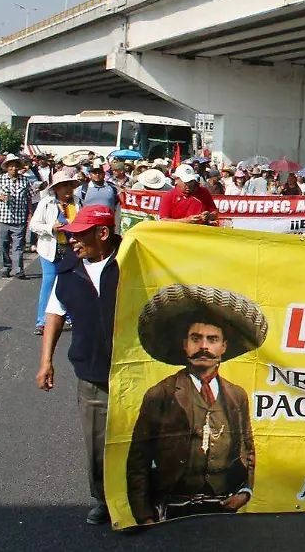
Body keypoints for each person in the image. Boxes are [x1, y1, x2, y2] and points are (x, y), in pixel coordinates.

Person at [125, 284, 264, 523]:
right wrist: (143, 514)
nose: (203, 347)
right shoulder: (161, 394)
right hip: (172, 505)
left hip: (223, 504)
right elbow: (139, 458)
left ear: (223, 347)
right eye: (195, 338)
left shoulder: (236, 395)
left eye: (212, 339)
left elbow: (247, 449)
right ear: (184, 345)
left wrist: (245, 491)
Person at [34, 204, 122, 525]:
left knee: (140, 437)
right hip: (92, 373)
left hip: (135, 371)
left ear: (102, 234)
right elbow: (54, 312)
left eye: (78, 234)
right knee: (97, 441)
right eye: (70, 235)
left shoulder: (133, 263)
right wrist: (46, 361)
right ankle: (103, 498)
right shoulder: (69, 270)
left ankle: (138, 495)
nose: (71, 241)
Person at [29, 167, 81, 335]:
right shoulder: (46, 203)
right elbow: (34, 225)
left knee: (70, 284)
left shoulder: (78, 202)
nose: (67, 189)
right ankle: (42, 321)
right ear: (56, 188)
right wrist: (51, 228)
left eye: (69, 185)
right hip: (50, 249)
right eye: (63, 186)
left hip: (72, 249)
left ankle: (69, 316)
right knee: (49, 282)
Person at [0, 154, 33, 279]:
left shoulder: (25, 180)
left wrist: (30, 213)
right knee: (3, 244)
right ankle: (5, 268)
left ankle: (18, 269)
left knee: (18, 245)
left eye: (15, 166)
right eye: (11, 166)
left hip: (19, 218)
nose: (13, 168)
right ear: (7, 167)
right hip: (3, 217)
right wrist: (0, 197)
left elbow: (29, 197)